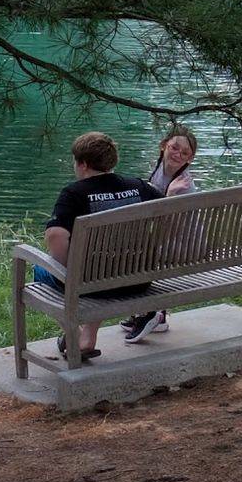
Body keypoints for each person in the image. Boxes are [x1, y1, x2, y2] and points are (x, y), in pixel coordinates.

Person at [37, 131, 163, 361]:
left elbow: (55, 236)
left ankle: (74, 336)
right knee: (100, 266)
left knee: (41, 269)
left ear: (83, 164)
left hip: (95, 284)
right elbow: (172, 212)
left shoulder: (73, 194)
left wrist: (72, 272)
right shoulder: (138, 186)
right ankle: (87, 336)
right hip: (139, 279)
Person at [121, 125, 198, 343]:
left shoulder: (182, 186)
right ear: (163, 146)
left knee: (137, 256)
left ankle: (150, 312)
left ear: (190, 159)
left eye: (185, 153)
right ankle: (152, 314)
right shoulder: (159, 173)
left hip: (185, 245)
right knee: (136, 252)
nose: (178, 154)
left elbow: (170, 230)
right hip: (171, 241)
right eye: (175, 147)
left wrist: (170, 196)